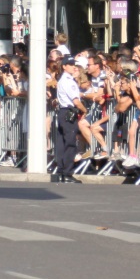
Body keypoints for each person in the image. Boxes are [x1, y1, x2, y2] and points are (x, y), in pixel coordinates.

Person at [53, 55, 85, 183]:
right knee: (70, 143)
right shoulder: (68, 81)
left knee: (62, 142)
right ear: (64, 66)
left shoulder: (63, 80)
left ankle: (61, 170)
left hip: (63, 112)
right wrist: (84, 110)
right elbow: (76, 101)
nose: (73, 67)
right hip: (68, 112)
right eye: (71, 65)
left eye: (74, 65)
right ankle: (67, 172)